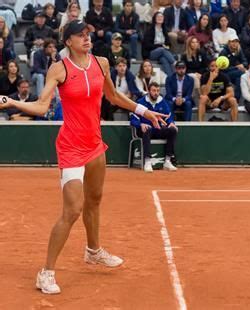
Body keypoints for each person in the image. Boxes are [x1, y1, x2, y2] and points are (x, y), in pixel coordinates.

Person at [0, 20, 166, 294]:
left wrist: (144, 111)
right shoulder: (60, 69)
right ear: (69, 41)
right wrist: (13, 102)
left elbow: (113, 96)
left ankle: (93, 250)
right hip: (71, 147)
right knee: (73, 210)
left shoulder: (101, 63)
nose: (86, 38)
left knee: (95, 201)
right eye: (80, 35)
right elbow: (42, 106)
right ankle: (46, 272)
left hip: (95, 144)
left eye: (87, 34)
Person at [130, 81, 178, 173]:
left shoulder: (162, 102)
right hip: (144, 130)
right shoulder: (141, 102)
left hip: (157, 129)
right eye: (154, 90)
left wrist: (171, 123)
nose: (156, 93)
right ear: (148, 91)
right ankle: (147, 161)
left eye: (158, 91)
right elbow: (133, 119)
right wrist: (140, 124)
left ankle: (167, 161)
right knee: (147, 129)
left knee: (172, 130)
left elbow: (168, 116)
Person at [141, 12, 176, 77]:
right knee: (162, 49)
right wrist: (160, 46)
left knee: (164, 59)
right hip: (150, 53)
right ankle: (175, 63)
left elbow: (168, 43)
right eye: (158, 17)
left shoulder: (164, 30)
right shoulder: (150, 30)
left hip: (162, 53)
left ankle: (171, 77)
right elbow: (147, 45)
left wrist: (167, 46)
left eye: (161, 17)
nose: (160, 18)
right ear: (154, 19)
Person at [219, 33, 247, 100]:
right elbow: (222, 68)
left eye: (236, 41)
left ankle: (236, 99)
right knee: (242, 74)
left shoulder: (239, 50)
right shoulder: (224, 52)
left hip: (235, 72)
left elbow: (245, 61)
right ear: (229, 42)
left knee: (239, 79)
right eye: (233, 41)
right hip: (225, 73)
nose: (235, 43)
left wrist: (242, 65)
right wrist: (237, 67)